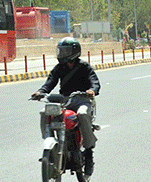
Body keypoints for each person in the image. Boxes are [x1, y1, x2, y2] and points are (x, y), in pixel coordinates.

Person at [31, 37, 100, 177]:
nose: (62, 54)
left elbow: (95, 82)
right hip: (64, 101)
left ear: (74, 52)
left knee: (82, 115)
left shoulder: (84, 67)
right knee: (44, 112)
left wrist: (92, 91)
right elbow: (50, 82)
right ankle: (49, 142)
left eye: (66, 51)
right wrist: (41, 92)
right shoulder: (59, 68)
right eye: (61, 51)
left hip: (81, 100)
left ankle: (88, 153)